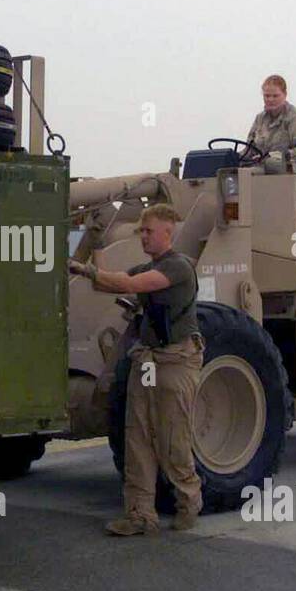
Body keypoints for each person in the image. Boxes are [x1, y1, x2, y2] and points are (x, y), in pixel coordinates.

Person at [69, 204, 204, 535]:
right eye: (141, 231)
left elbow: (128, 285)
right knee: (138, 436)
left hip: (174, 361)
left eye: (149, 231)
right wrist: (96, 245)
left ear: (167, 233)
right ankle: (140, 515)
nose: (143, 237)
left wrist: (84, 269)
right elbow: (109, 283)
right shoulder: (152, 265)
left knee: (174, 437)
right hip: (148, 360)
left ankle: (188, 502)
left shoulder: (178, 268)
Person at [247, 74, 296, 227]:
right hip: (261, 167)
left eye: (275, 96)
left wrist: (278, 157)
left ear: (284, 95)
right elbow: (249, 148)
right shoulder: (260, 119)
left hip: (293, 167)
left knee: (284, 179)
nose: (270, 99)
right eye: (266, 96)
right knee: (238, 176)